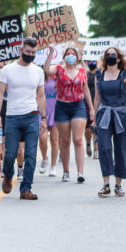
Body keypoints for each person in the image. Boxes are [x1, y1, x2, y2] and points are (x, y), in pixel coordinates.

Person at [0, 38, 46, 200]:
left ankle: (26, 189)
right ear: (20, 51)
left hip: (31, 116)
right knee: (10, 154)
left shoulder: (38, 71)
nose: (30, 55)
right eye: (28, 52)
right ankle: (8, 175)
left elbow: (40, 95)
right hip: (12, 117)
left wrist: (43, 118)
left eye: (33, 53)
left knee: (31, 154)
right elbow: (0, 93)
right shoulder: (8, 70)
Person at [45, 45, 95, 183]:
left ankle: (80, 172)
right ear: (64, 56)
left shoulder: (81, 71)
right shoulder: (59, 69)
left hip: (78, 106)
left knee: (78, 140)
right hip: (62, 106)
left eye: (73, 53)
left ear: (77, 57)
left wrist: (91, 109)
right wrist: (50, 52)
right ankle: (66, 171)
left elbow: (86, 90)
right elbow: (46, 69)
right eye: (68, 53)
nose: (71, 56)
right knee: (65, 140)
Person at [93, 47, 126, 197]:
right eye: (108, 55)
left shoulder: (125, 74)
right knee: (104, 148)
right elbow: (97, 98)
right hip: (104, 115)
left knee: (120, 149)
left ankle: (118, 185)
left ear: (118, 58)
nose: (110, 57)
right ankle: (106, 184)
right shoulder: (99, 75)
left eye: (113, 54)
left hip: (122, 115)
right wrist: (94, 117)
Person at [38, 53, 59, 177]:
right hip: (42, 112)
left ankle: (53, 166)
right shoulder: (38, 80)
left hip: (56, 111)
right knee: (42, 138)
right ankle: (45, 158)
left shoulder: (57, 79)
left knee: (55, 140)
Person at [85, 59, 99, 158]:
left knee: (95, 127)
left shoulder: (99, 75)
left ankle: (96, 149)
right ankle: (88, 143)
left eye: (93, 62)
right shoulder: (85, 74)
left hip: (97, 103)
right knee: (87, 129)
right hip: (86, 104)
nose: (92, 64)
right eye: (90, 62)